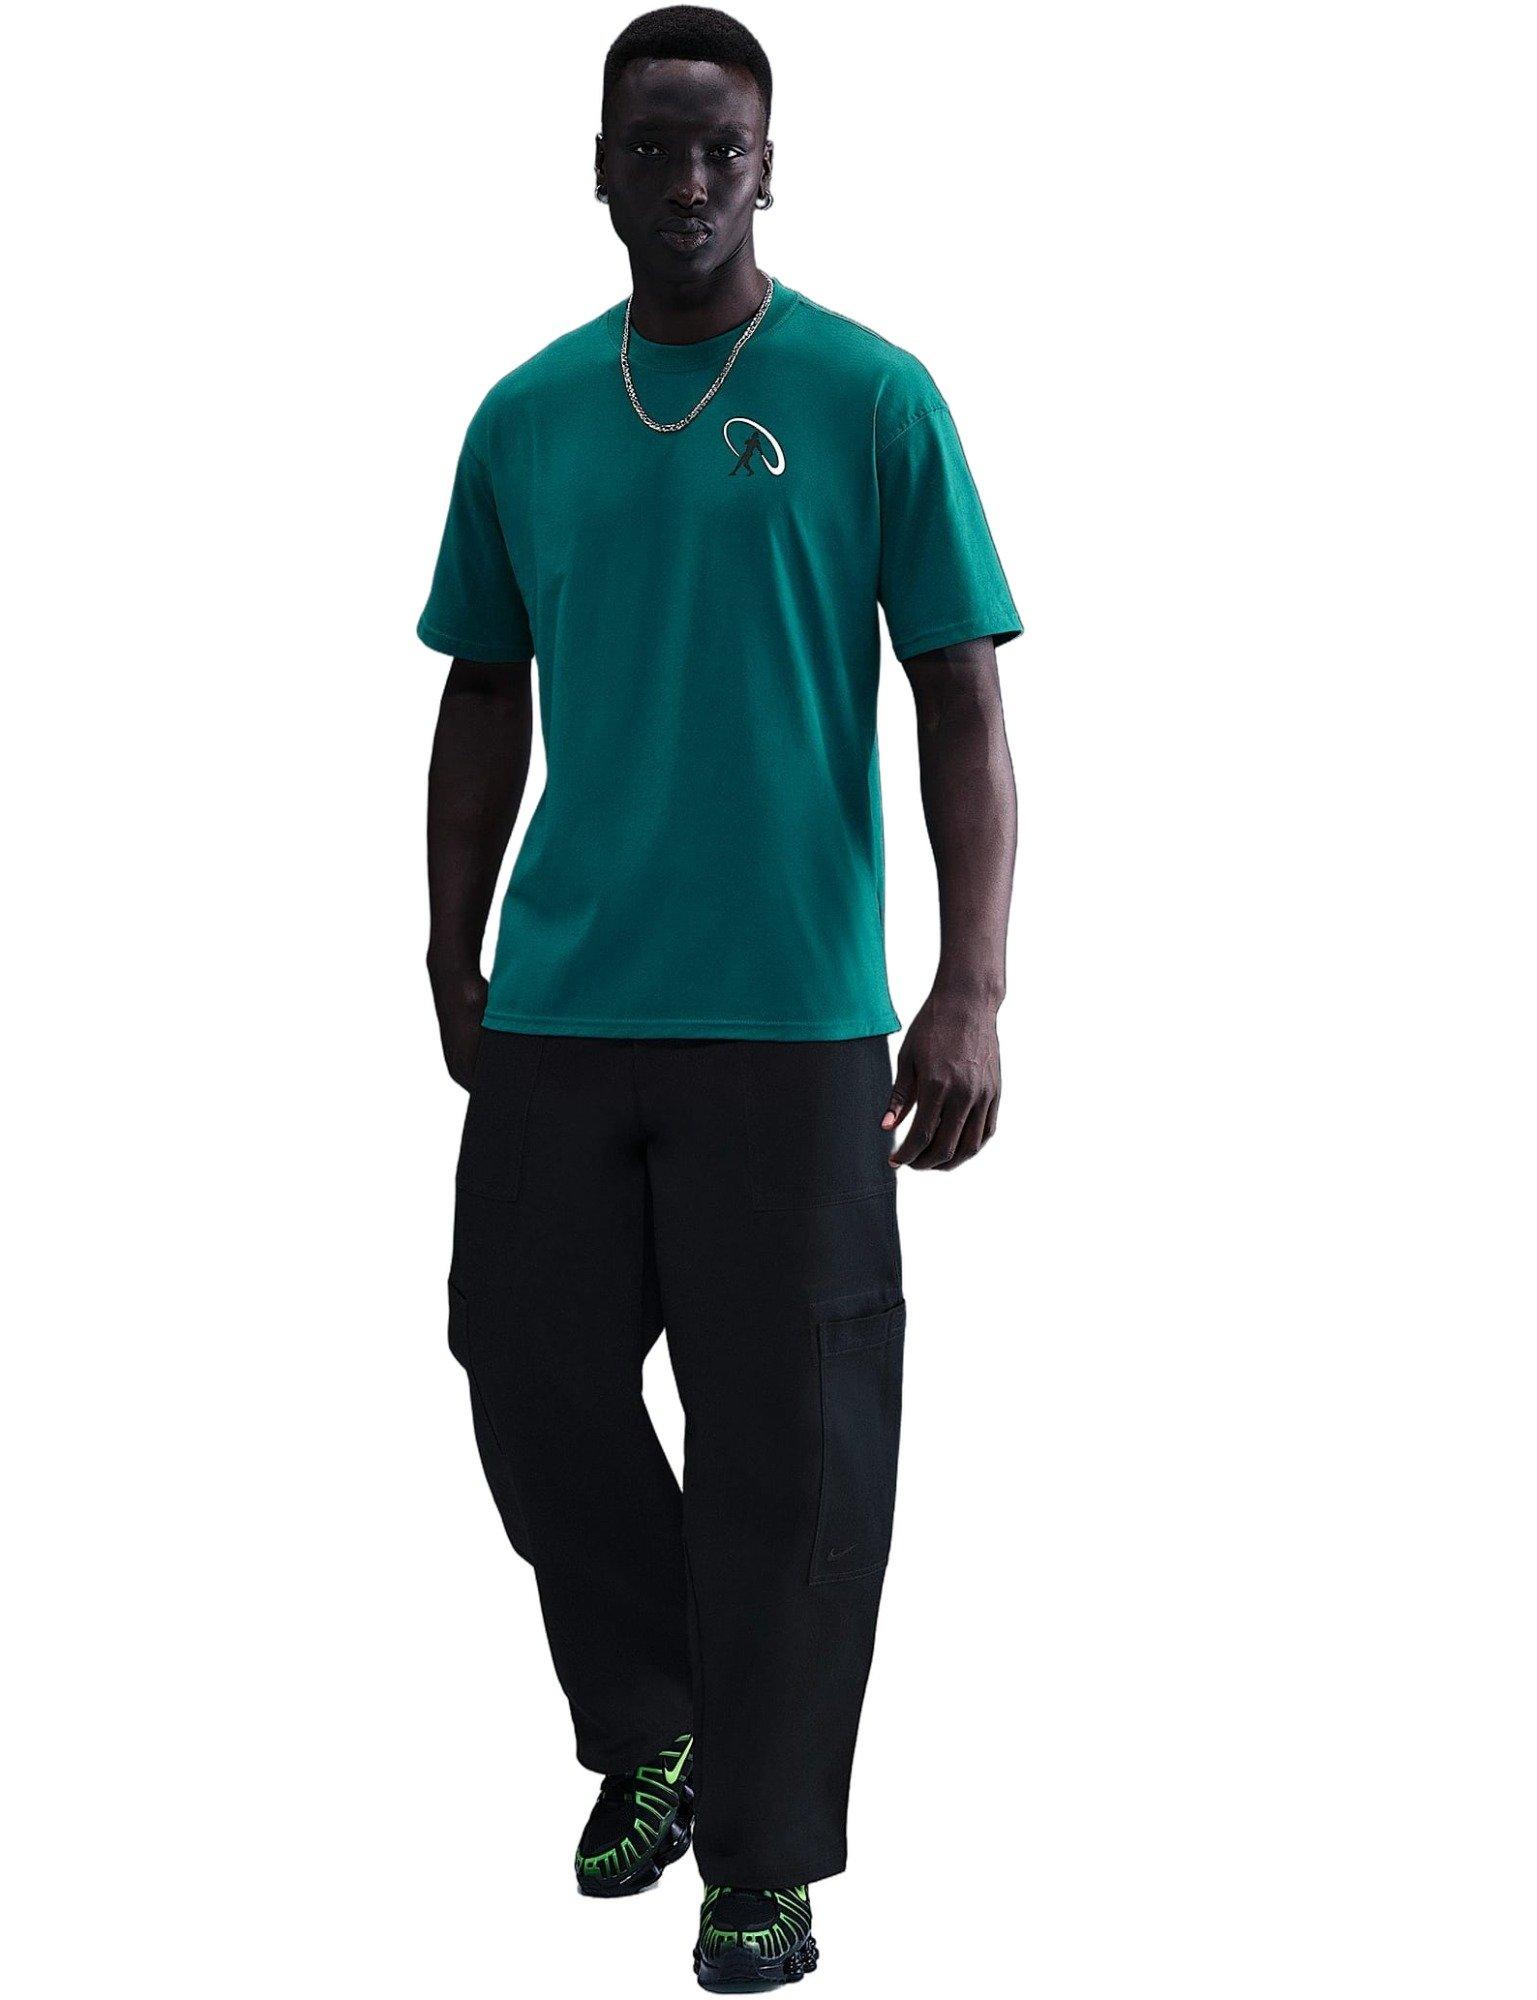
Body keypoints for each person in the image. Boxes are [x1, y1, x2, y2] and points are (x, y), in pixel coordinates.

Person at [418, 8, 1020, 1986]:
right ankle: (654, 1723)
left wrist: (970, 986)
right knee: (527, 1376)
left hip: (792, 1019)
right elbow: (481, 693)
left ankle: (764, 1856)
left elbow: (958, 695)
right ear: (597, 169)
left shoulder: (870, 397)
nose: (687, 180)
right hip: (566, 1008)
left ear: (769, 167)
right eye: (652, 146)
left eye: (720, 148)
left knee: (797, 1443)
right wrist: (449, 949)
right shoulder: (525, 417)